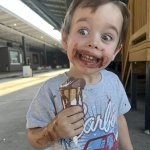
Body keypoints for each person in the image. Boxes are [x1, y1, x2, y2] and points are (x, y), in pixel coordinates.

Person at [26, 0, 133, 149]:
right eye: (83, 31)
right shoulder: (50, 89)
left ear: (115, 51)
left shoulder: (113, 82)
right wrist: (54, 131)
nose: (94, 42)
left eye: (106, 37)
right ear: (65, 39)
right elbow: (33, 139)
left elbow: (119, 119)